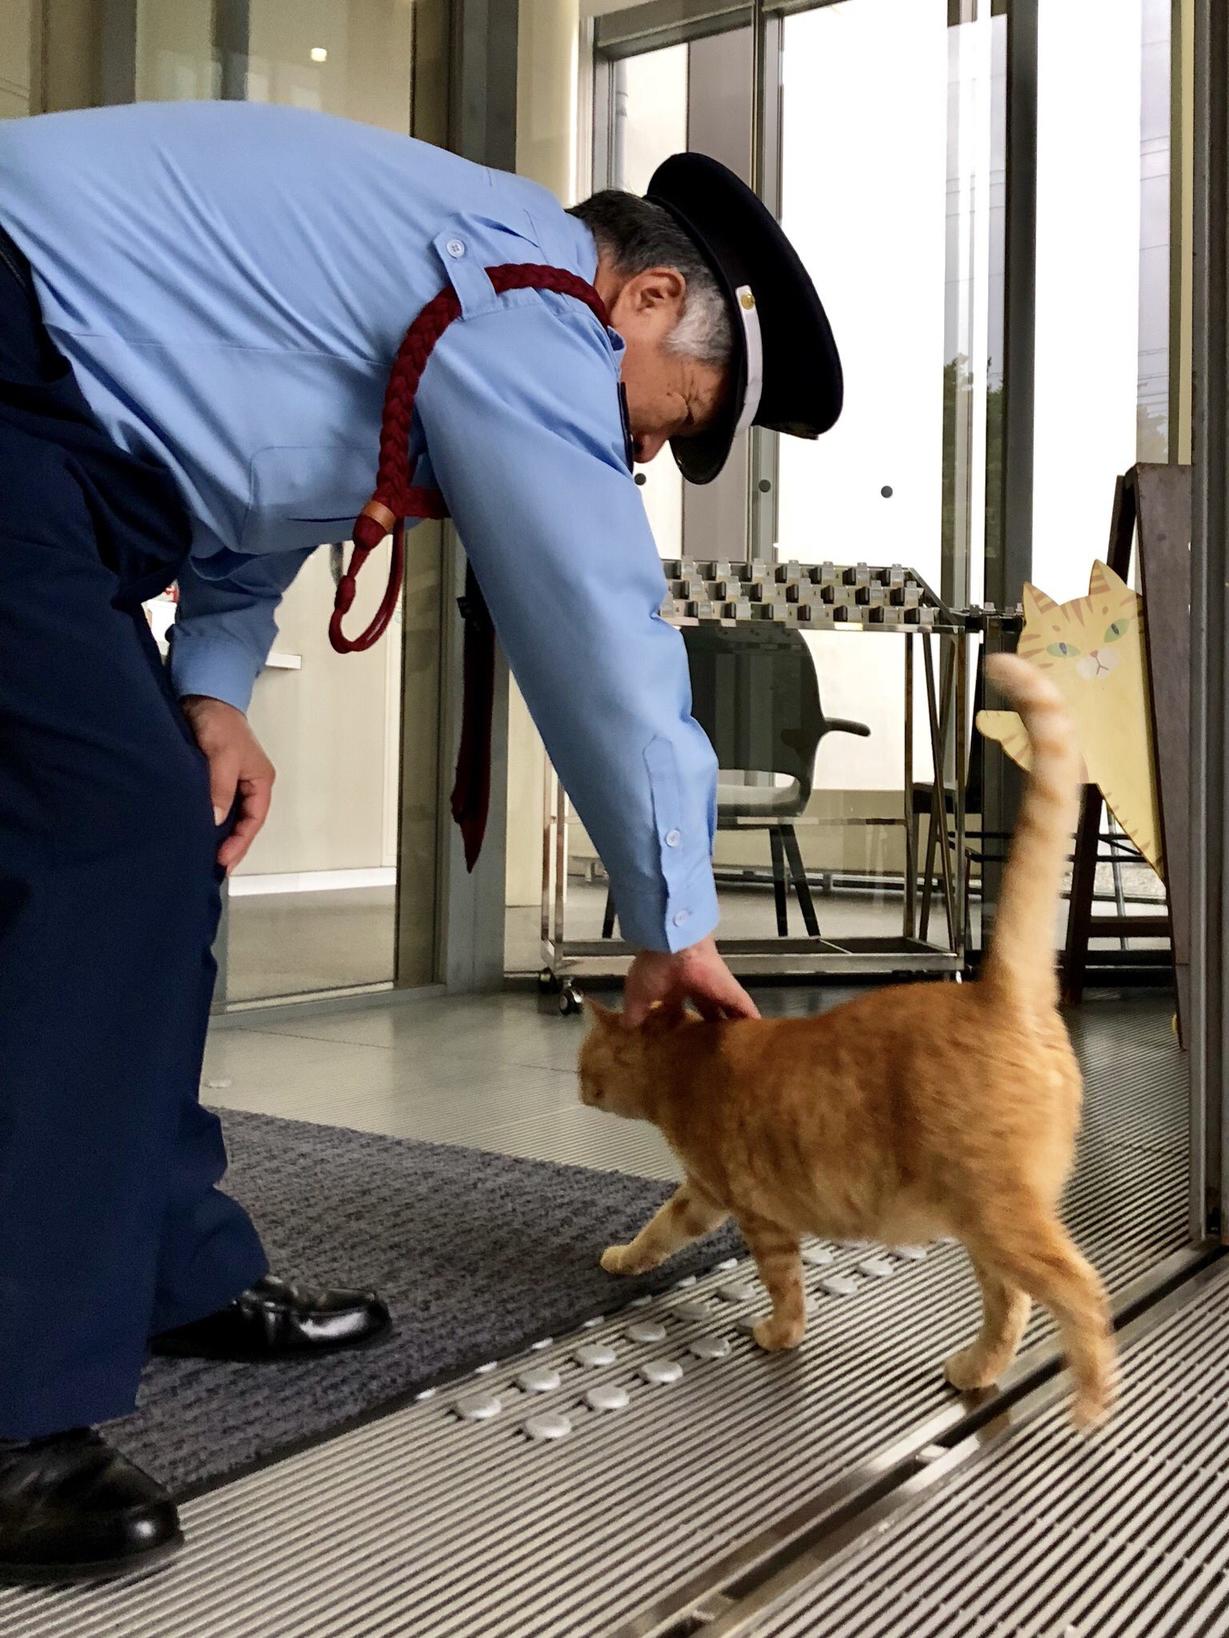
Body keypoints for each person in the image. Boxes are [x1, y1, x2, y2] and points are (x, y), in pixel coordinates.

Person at [0, 101, 842, 1584]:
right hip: (17, 376)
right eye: (678, 414)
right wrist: (672, 919)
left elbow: (252, 460)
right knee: (107, 845)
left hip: (65, 438)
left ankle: (150, 1258)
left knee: (152, 836)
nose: (646, 451)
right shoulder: (529, 294)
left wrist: (211, 690)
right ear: (642, 300)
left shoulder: (442, 269)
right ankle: (16, 1413)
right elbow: (594, 610)